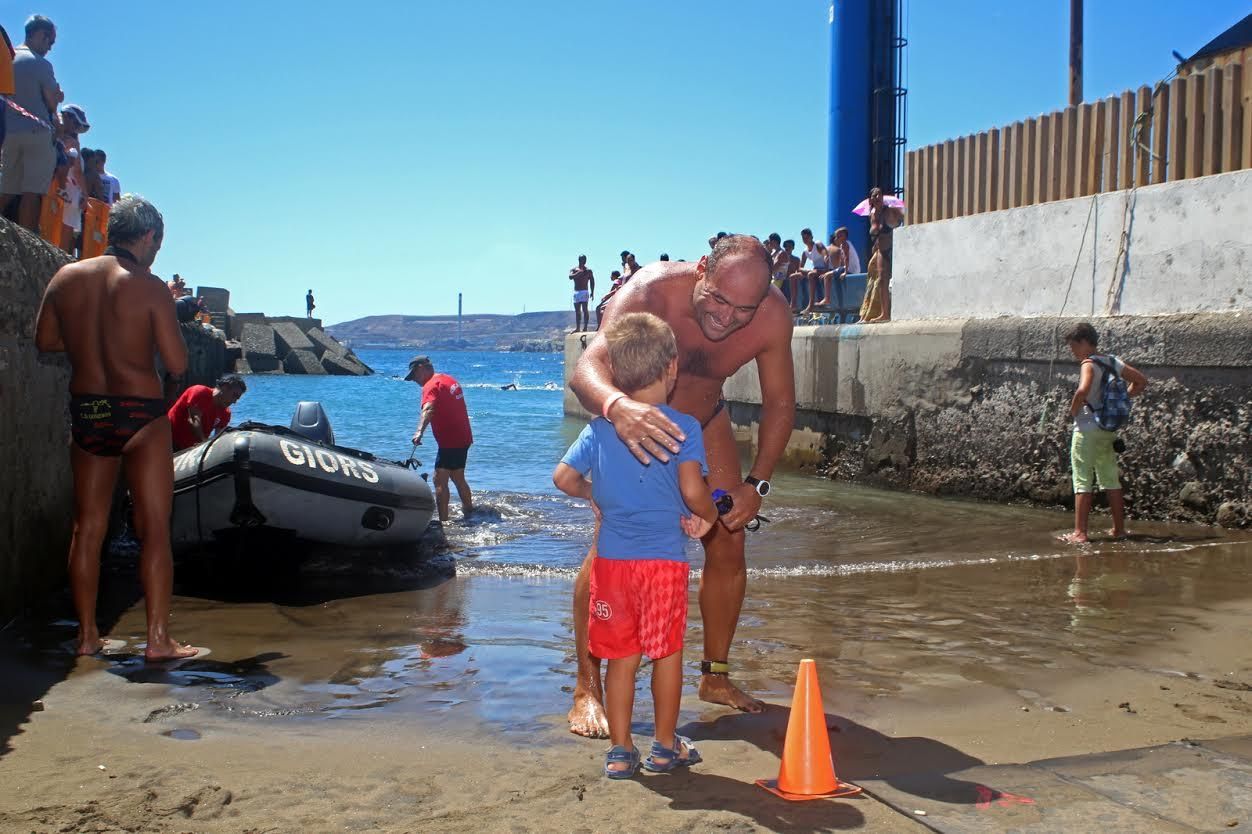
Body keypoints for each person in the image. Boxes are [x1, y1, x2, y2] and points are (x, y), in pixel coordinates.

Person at [567, 234, 796, 737]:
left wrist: (757, 485)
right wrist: (619, 409)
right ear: (700, 270)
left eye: (743, 309)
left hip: (702, 424)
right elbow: (587, 370)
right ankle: (588, 687)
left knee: (730, 540)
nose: (726, 317)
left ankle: (714, 677)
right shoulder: (650, 293)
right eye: (717, 298)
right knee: (610, 550)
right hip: (636, 429)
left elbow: (780, 403)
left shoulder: (773, 317)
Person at [33, 194, 198, 661]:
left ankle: (86, 637)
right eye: (157, 245)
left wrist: (91, 342)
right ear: (147, 237)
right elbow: (177, 362)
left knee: (87, 527)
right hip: (139, 414)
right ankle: (158, 640)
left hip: (89, 412)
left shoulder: (66, 277)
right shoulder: (148, 288)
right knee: (154, 529)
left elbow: (44, 340)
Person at [554, 312, 718, 778]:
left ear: (617, 374)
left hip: (612, 565)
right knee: (666, 655)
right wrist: (707, 514)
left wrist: (594, 497)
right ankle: (665, 747)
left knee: (621, 657)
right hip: (663, 564)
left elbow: (563, 477)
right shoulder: (684, 426)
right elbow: (691, 490)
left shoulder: (603, 428)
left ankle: (622, 751)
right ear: (672, 368)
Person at [1061, 322, 1148, 544]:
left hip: (1086, 429)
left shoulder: (1088, 363)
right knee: (1111, 479)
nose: (1073, 352)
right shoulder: (1112, 361)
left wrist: (1073, 410)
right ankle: (1119, 530)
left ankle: (1080, 533)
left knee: (1082, 480)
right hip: (1108, 429)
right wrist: (1122, 399)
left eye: (1073, 346)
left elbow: (1083, 389)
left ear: (1084, 342)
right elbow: (1141, 381)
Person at [2, 15, 61, 233]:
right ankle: (27, 238)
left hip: (8, 132)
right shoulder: (41, 64)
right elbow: (51, 101)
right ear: (39, 35)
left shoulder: (8, 57)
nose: (50, 47)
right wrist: (58, 96)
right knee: (32, 191)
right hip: (37, 132)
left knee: (7, 187)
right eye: (50, 41)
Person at [407, 356, 474, 522]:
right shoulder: (448, 379)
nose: (414, 380)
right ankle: (469, 513)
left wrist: (418, 432)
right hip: (463, 437)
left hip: (450, 440)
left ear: (422, 368)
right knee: (458, 477)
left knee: (439, 479)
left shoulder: (431, 386)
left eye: (414, 375)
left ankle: (443, 522)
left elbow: (428, 409)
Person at [167, 375, 246, 451]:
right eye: (234, 395)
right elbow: (193, 420)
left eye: (237, 398)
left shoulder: (225, 413)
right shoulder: (200, 392)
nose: (235, 401)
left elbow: (218, 437)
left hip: (189, 449)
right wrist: (204, 443)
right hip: (168, 440)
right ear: (224, 388)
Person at [866, 187, 903, 322]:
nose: (877, 197)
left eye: (879, 195)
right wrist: (875, 243)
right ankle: (884, 313)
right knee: (882, 280)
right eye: (874, 195)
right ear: (870, 199)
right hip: (880, 249)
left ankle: (893, 310)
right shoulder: (872, 214)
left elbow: (903, 219)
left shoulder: (890, 210)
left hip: (893, 248)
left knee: (894, 279)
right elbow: (875, 233)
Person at [817, 227, 861, 312]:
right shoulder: (844, 245)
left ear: (844, 237)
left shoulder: (845, 244)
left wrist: (845, 272)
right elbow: (841, 261)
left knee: (827, 276)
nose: (836, 239)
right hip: (847, 268)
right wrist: (834, 271)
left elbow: (847, 259)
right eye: (836, 237)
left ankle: (827, 299)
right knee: (830, 274)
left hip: (850, 269)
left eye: (838, 236)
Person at [789, 228, 828, 313]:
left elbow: (826, 255)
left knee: (811, 274)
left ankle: (810, 305)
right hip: (814, 270)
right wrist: (806, 270)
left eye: (807, 237)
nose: (805, 240)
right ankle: (793, 304)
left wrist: (826, 268)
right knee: (792, 276)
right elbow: (800, 267)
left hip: (824, 269)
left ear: (811, 237)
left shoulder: (818, 244)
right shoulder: (805, 251)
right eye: (803, 238)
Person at [568, 255, 595, 333]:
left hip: (584, 291)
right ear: (579, 260)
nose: (584, 261)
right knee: (577, 311)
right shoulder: (574, 269)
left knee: (585, 309)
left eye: (585, 259)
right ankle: (577, 328)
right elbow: (570, 277)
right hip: (576, 292)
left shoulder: (588, 271)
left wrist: (592, 292)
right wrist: (579, 273)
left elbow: (592, 281)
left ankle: (585, 327)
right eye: (582, 259)